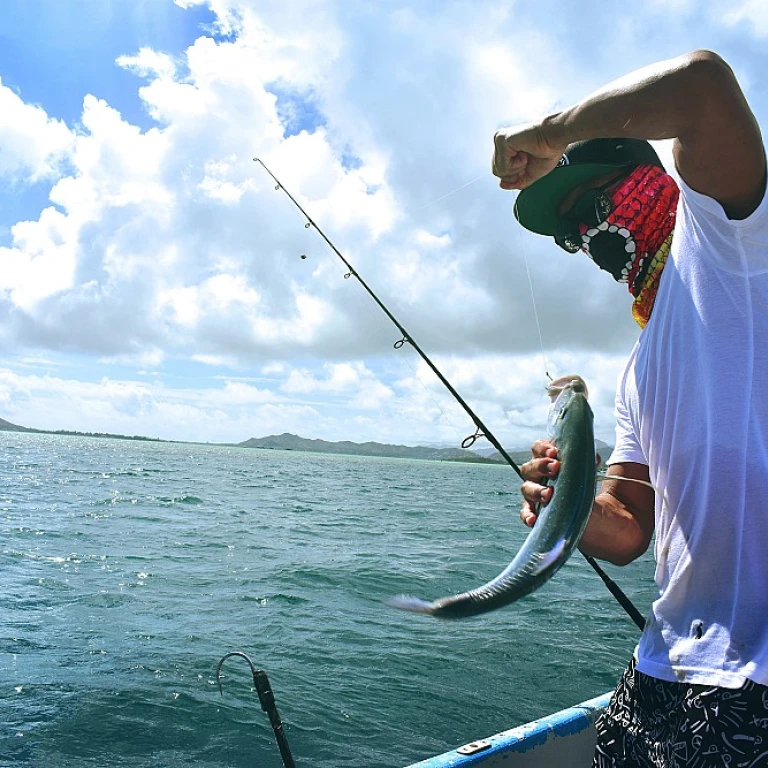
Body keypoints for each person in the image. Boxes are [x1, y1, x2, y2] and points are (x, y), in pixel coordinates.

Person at [492, 50, 768, 767]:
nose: (585, 235)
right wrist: (570, 504)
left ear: (654, 184)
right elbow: (628, 531)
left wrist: (550, 134)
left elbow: (702, 86)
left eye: (592, 204)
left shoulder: (731, 243)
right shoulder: (638, 371)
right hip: (663, 669)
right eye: (569, 230)